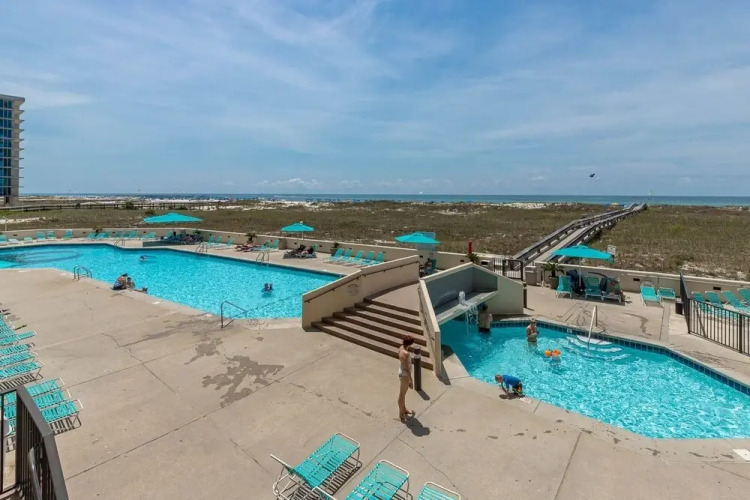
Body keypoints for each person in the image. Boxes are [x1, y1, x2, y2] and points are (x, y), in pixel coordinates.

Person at [398, 336, 415, 422]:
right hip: (405, 375)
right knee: (402, 395)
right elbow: (407, 369)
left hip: (401, 372)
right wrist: (411, 381)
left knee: (403, 394)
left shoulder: (401, 348)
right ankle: (401, 413)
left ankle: (404, 409)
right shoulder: (406, 354)